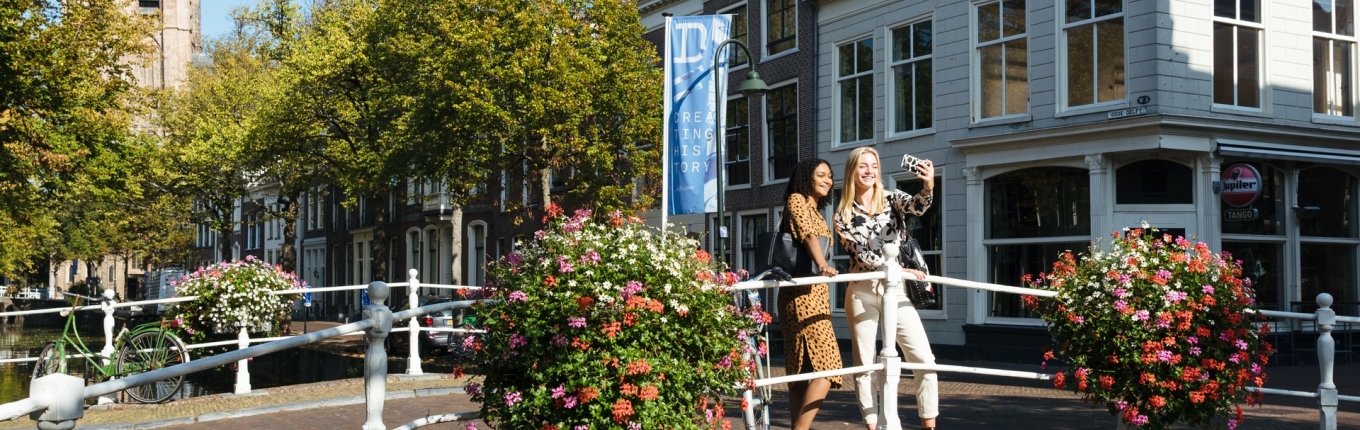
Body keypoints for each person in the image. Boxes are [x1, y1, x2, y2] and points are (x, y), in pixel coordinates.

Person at [833, 147, 940, 430]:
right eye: (863, 166)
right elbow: (862, 254)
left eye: (874, 166)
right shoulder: (842, 214)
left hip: (895, 289)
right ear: (852, 171)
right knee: (865, 364)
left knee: (924, 358)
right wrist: (900, 269)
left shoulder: (891, 197)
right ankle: (872, 425)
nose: (869, 171)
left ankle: (929, 425)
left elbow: (918, 206)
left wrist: (928, 183)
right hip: (862, 288)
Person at [775, 158, 843, 430]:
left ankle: (797, 426)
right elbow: (808, 236)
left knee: (803, 370)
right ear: (807, 178)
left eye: (830, 176)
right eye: (821, 175)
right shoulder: (796, 200)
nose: (827, 180)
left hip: (815, 293)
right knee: (828, 366)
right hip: (802, 296)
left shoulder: (816, 209)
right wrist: (824, 264)